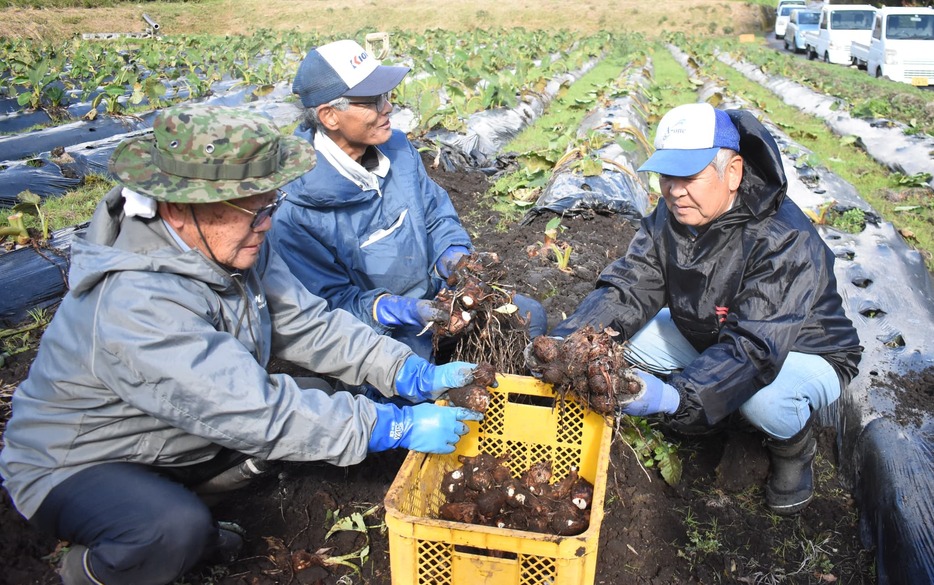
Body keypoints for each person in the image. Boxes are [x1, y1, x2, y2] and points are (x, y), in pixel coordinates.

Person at [0, 104, 486, 585]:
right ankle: (83, 569)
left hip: (171, 431)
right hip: (82, 461)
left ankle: (201, 492)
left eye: (269, 205)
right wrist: (394, 424)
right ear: (179, 208)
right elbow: (257, 411)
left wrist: (405, 370)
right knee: (172, 530)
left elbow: (306, 321)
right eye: (254, 211)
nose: (267, 223)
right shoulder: (135, 303)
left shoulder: (232, 238)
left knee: (321, 394)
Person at [549, 103, 863, 515]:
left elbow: (754, 347)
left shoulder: (785, 238)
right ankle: (713, 403)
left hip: (800, 350)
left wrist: (678, 398)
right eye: (667, 177)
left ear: (732, 173)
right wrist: (570, 342)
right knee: (618, 339)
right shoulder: (671, 215)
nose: (675, 190)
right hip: (713, 331)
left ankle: (793, 447)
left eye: (690, 177)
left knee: (764, 401)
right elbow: (628, 288)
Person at [271, 39, 546, 361]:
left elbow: (434, 215)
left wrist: (454, 257)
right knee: (410, 366)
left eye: (386, 97)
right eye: (372, 101)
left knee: (529, 317)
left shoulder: (398, 150)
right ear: (330, 116)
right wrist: (400, 310)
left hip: (438, 297)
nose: (387, 108)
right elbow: (328, 306)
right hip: (374, 331)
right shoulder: (295, 212)